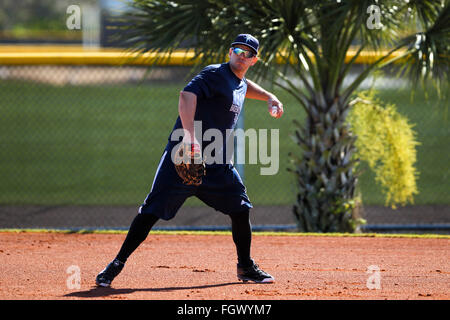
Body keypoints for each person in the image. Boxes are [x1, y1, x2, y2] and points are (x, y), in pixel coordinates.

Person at [96, 34, 284, 287]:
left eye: (248, 53)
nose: (242, 55)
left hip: (216, 162)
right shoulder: (215, 73)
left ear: (254, 60)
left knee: (240, 208)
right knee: (151, 211)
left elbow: (243, 87)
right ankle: (116, 264)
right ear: (230, 51)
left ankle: (246, 267)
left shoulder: (237, 81)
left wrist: (271, 97)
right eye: (238, 49)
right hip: (183, 158)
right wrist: (190, 139)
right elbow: (186, 96)